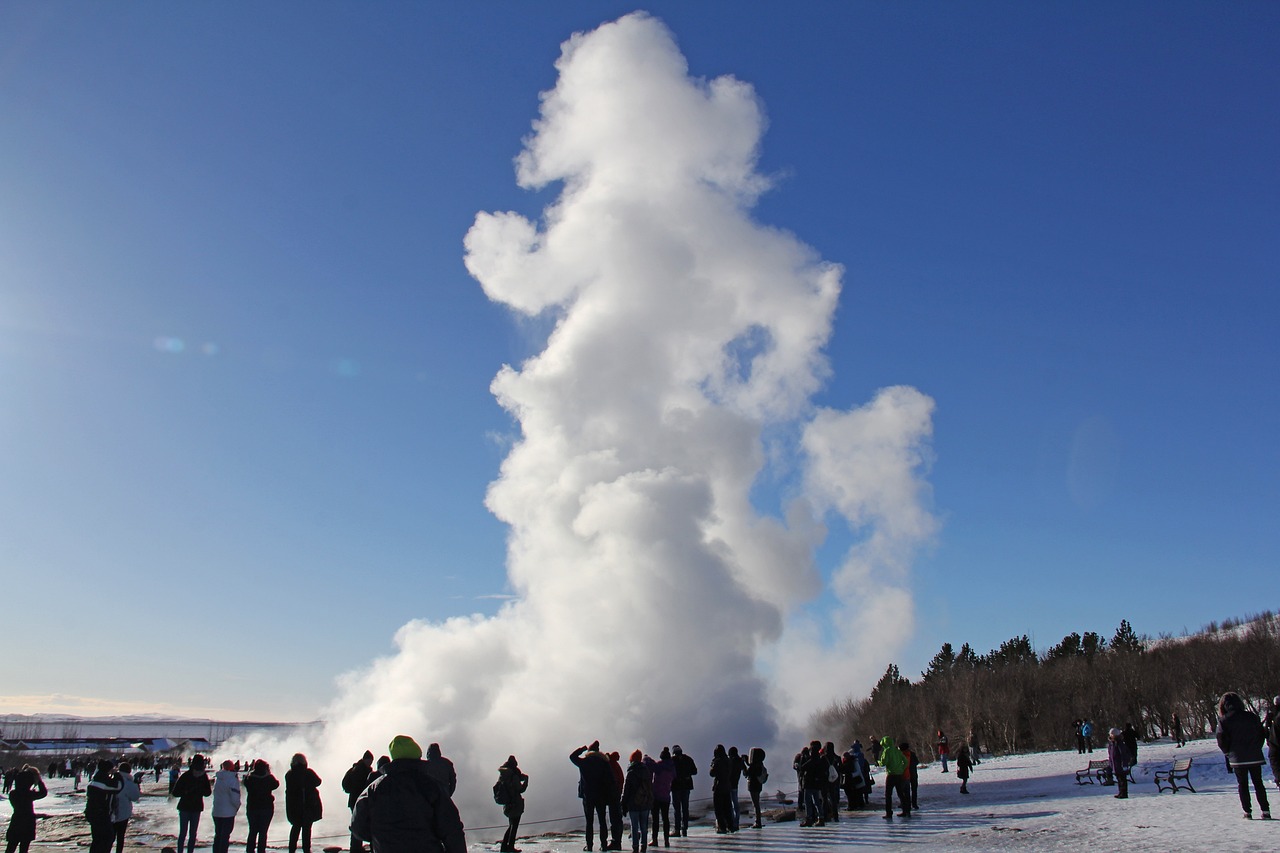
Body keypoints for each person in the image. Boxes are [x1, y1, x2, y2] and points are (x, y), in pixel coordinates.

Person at [351, 735, 467, 853]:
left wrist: (381, 838)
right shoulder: (432, 787)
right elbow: (452, 829)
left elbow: (358, 828)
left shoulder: (373, 789)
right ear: (417, 756)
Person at [1217, 691, 1272, 819]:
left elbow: (1221, 740)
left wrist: (1228, 753)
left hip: (1237, 758)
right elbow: (1261, 734)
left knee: (1243, 785)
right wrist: (1256, 748)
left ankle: (1247, 811)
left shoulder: (1224, 720)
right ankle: (1266, 810)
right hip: (1254, 756)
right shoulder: (1252, 717)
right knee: (1258, 783)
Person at [570, 742, 616, 852]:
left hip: (588, 796)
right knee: (602, 821)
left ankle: (589, 846)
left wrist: (582, 749)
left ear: (589, 752)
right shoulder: (604, 763)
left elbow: (572, 757)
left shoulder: (584, 762)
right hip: (601, 796)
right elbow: (611, 781)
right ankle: (604, 845)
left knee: (589, 822)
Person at [172, 755, 212, 853]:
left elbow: (175, 792)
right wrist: (191, 791)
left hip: (186, 807)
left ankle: (181, 851)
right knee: (191, 834)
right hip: (194, 808)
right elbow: (208, 793)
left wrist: (187, 792)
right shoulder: (203, 776)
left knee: (184, 833)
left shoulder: (186, 775)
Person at [284, 753, 322, 853]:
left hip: (294, 807)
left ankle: (291, 850)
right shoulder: (308, 773)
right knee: (306, 830)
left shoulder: (289, 775)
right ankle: (306, 849)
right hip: (308, 806)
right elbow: (318, 781)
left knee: (295, 829)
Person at [5, 766, 48, 853]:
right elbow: (43, 793)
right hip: (28, 823)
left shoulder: (13, 794)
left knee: (10, 847)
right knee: (24, 849)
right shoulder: (29, 794)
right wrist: (39, 781)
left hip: (16, 821)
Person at [342, 751, 378, 853]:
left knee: (358, 822)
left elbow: (347, 785)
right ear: (365, 759)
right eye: (370, 760)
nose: (370, 763)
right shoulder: (362, 770)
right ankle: (355, 847)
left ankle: (356, 846)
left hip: (354, 800)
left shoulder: (355, 769)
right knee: (359, 823)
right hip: (359, 800)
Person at [242, 759, 279, 853]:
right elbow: (276, 784)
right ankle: (261, 850)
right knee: (263, 832)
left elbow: (245, 783)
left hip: (252, 807)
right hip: (266, 807)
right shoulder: (269, 778)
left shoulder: (250, 778)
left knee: (253, 830)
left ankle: (250, 850)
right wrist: (268, 773)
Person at [86, 759, 122, 853]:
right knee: (107, 838)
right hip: (100, 814)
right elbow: (118, 787)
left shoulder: (97, 778)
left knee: (97, 839)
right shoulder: (103, 780)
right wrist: (117, 775)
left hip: (93, 812)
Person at [620, 750, 653, 853]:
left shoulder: (631, 772)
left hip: (633, 804)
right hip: (645, 802)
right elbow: (649, 787)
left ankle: (635, 847)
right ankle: (644, 846)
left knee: (634, 827)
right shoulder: (646, 771)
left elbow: (626, 790)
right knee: (644, 826)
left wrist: (623, 803)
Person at [495, 755, 528, 853]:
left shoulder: (503, 775)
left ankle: (504, 846)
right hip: (515, 803)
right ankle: (510, 847)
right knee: (514, 826)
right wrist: (526, 782)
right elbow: (520, 789)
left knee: (511, 825)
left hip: (507, 803)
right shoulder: (513, 775)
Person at [643, 748, 675, 847]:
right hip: (666, 796)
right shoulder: (672, 767)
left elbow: (650, 765)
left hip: (656, 796)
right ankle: (666, 840)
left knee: (655, 819)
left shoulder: (659, 766)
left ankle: (655, 840)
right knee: (666, 819)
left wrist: (646, 758)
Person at [212, 759, 242, 853]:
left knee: (218, 835)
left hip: (217, 811)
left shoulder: (218, 778)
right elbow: (235, 797)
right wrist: (237, 806)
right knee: (225, 836)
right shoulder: (232, 779)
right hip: (228, 812)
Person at [876, 737, 910, 820]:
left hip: (891, 775)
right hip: (899, 775)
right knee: (901, 793)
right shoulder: (897, 750)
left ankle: (889, 813)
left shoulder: (886, 751)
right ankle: (906, 811)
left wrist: (879, 762)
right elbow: (905, 761)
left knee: (888, 794)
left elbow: (884, 762)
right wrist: (901, 768)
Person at [112, 762, 142, 853]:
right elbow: (135, 797)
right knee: (120, 836)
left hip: (109, 812)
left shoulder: (112, 779)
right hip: (123, 812)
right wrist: (136, 785)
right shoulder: (128, 782)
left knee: (109, 837)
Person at [798, 742, 828, 827]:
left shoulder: (811, 761)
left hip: (809, 784)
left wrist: (803, 757)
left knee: (808, 802)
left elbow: (802, 767)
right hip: (817, 784)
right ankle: (821, 818)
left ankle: (809, 819)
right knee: (817, 802)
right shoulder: (820, 760)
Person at [669, 746, 696, 838]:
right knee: (685, 808)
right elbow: (695, 771)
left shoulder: (672, 760)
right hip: (686, 786)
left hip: (676, 787)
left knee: (677, 809)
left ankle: (677, 829)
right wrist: (687, 774)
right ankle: (684, 829)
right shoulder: (688, 759)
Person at [709, 745, 734, 833]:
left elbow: (712, 773)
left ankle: (722, 827)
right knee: (728, 808)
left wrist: (712, 764)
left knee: (719, 809)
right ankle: (731, 826)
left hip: (719, 787)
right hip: (727, 786)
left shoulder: (717, 761)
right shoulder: (728, 760)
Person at [743, 748, 767, 829]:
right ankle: (758, 821)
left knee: (755, 804)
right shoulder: (760, 764)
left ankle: (758, 822)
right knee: (757, 803)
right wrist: (747, 761)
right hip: (758, 786)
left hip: (753, 786)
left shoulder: (753, 766)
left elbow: (746, 773)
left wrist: (744, 767)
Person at [1107, 728, 1130, 799]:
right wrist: (1111, 764)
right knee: (1119, 779)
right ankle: (1120, 792)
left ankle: (1124, 793)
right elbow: (1110, 755)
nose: (1110, 735)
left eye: (1112, 734)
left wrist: (1124, 764)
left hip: (1120, 764)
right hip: (1115, 765)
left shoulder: (1119, 743)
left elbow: (1123, 755)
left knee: (1122, 779)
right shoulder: (1111, 744)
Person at [1263, 696, 1280, 790]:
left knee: (1275, 763)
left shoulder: (1271, 714)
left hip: (1274, 744)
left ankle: (1279, 779)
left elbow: (1266, 729)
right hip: (1274, 742)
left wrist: (1268, 740)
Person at [900, 742, 920, 810]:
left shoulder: (901, 755)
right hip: (913, 774)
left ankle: (905, 803)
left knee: (905, 790)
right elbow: (917, 762)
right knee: (914, 790)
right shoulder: (912, 754)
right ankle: (914, 804)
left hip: (905, 775)